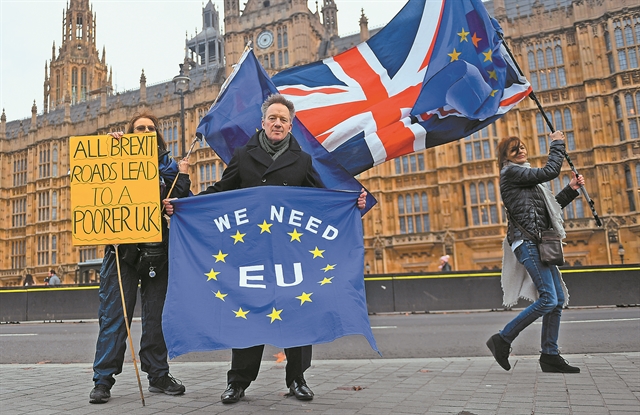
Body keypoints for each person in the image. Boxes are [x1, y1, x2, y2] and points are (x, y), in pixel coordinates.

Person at [164, 94, 367, 404]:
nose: (277, 123)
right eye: (272, 117)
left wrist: (351, 204)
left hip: (290, 254)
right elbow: (221, 192)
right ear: (263, 122)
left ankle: (297, 378)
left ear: (290, 125)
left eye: (283, 119)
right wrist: (185, 206)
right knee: (247, 314)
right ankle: (238, 381)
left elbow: (320, 199)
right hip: (252, 253)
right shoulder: (244, 156)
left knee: (298, 311)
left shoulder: (302, 160)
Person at [89, 112, 191, 404]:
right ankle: (103, 380)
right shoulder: (117, 156)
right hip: (122, 251)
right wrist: (109, 151)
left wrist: (179, 191)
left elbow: (184, 203)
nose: (146, 131)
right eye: (139, 128)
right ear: (130, 133)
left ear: (157, 133)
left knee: (155, 318)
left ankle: (158, 375)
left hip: (158, 251)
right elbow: (88, 187)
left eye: (150, 128)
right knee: (114, 318)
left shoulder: (170, 168)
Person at [486, 130, 585, 374]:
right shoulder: (511, 172)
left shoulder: (527, 180)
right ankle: (503, 338)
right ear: (506, 158)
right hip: (527, 242)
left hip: (539, 242)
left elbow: (549, 209)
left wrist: (571, 189)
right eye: (514, 149)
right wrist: (558, 144)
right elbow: (549, 171)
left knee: (557, 300)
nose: (521, 150)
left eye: (522, 146)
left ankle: (550, 355)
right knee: (549, 298)